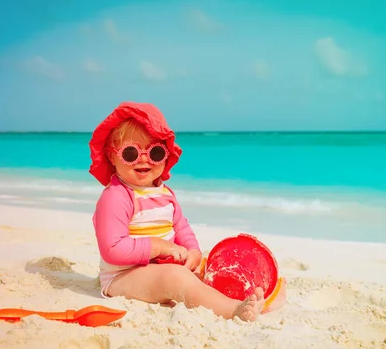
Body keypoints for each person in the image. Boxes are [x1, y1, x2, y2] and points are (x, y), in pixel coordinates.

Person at [88, 102, 265, 321]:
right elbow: (112, 249)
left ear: (165, 156)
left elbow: (182, 228)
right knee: (175, 278)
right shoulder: (116, 196)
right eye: (131, 153)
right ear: (112, 157)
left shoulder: (165, 194)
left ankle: (258, 296)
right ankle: (233, 310)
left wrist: (193, 252)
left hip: (161, 267)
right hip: (124, 276)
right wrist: (159, 247)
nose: (144, 158)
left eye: (155, 152)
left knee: (206, 267)